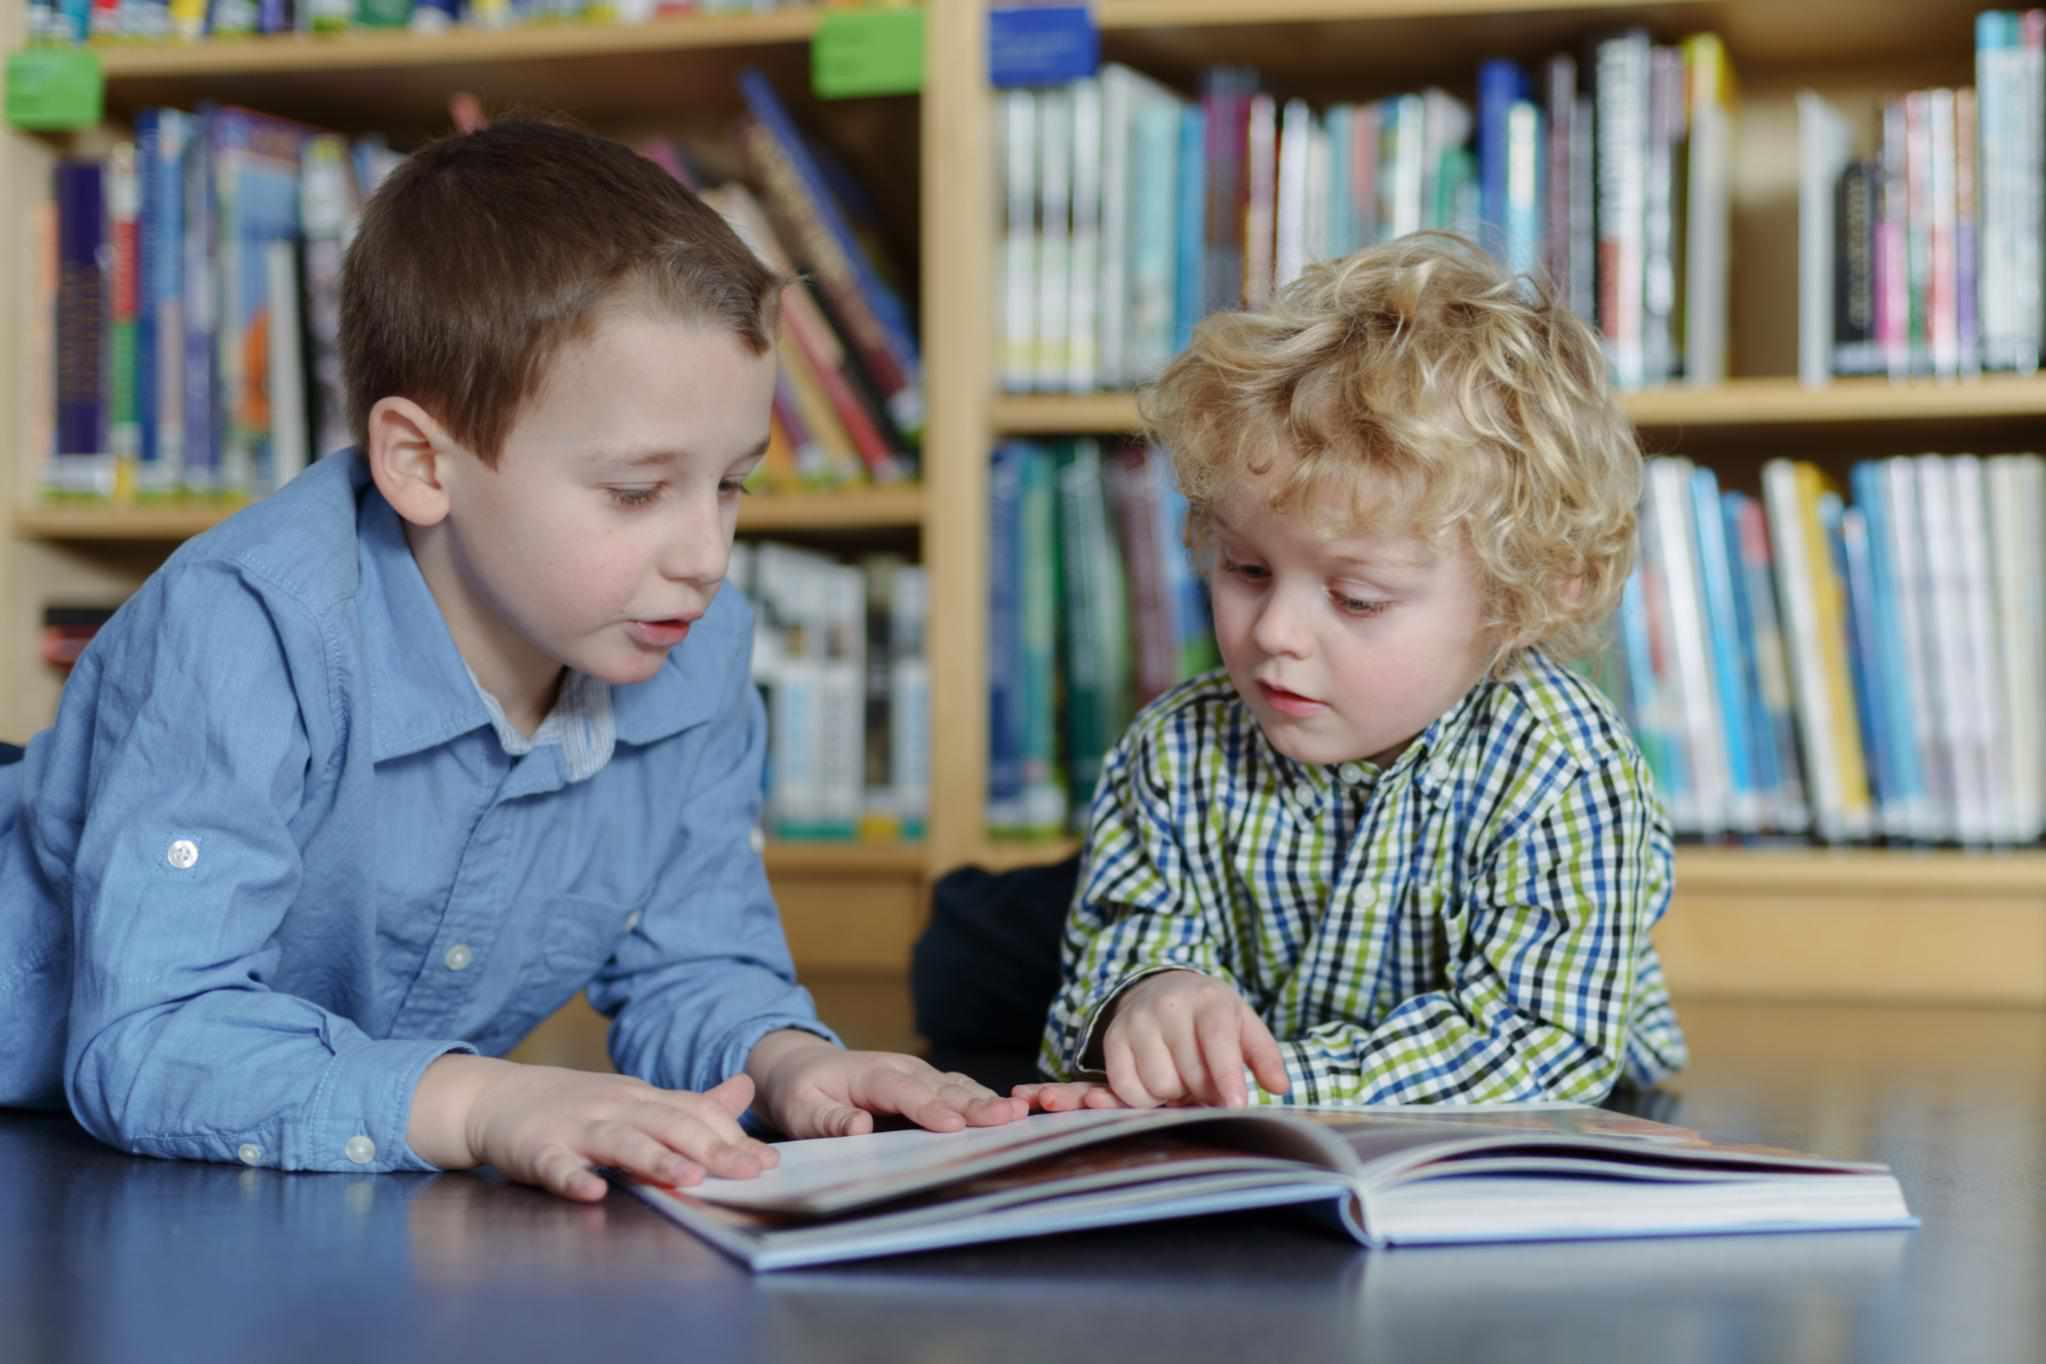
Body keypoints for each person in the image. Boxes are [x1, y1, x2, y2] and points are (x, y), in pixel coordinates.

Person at [0, 119, 1022, 1201]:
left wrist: (792, 1061)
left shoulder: (693, 649)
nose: (706, 556)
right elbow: (153, 1036)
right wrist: (487, 1101)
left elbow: (692, 959)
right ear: (420, 464)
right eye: (636, 491)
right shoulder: (245, 629)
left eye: (732, 484)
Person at [1019, 233, 1687, 1112]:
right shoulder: (1175, 752)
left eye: (1359, 599)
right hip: (1261, 1147)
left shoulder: (1565, 771)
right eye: (1246, 570)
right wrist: (1151, 1002)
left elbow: (1539, 1044)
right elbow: (1122, 943)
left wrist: (1279, 1083)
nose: (1277, 633)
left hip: (1539, 1136)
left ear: (1516, 603)